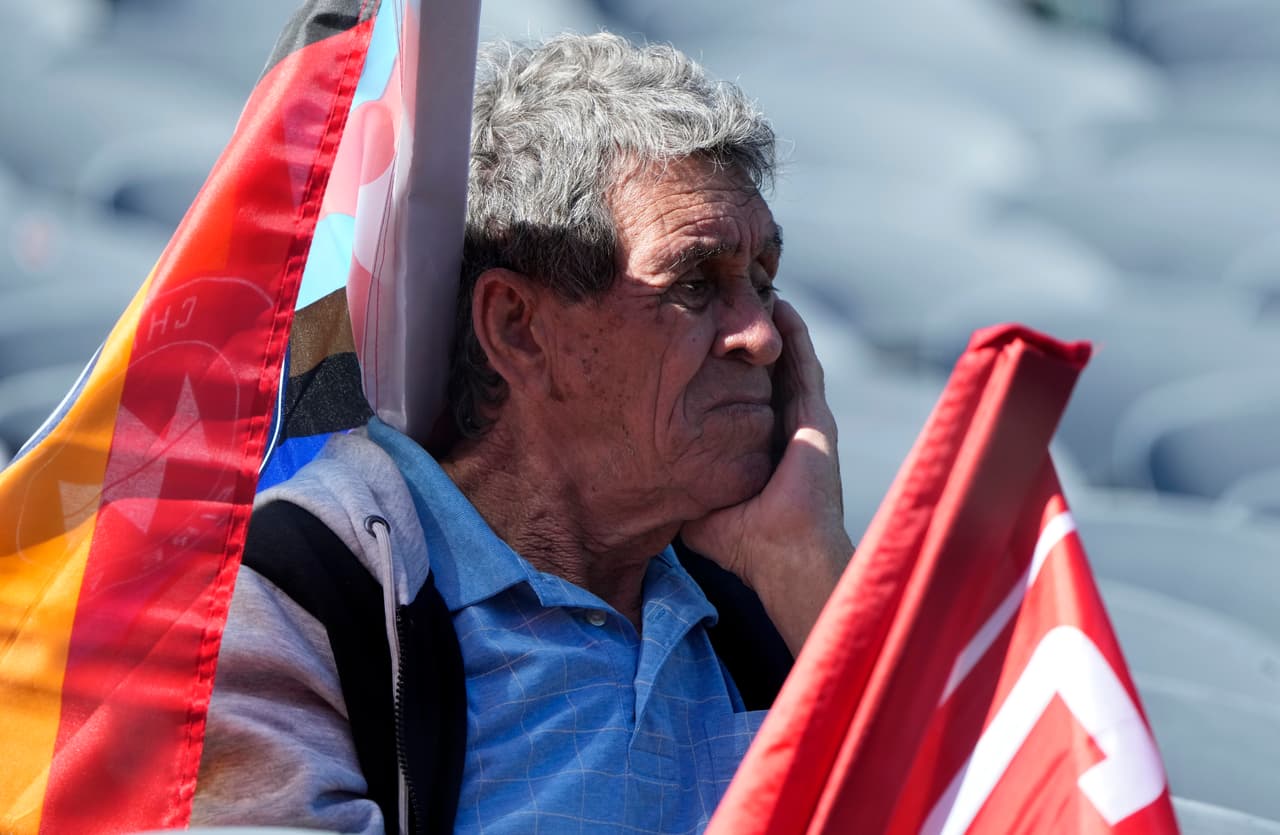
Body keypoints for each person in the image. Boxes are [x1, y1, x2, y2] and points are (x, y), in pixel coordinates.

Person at [191, 32, 853, 834]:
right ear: (518, 328)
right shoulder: (314, 595)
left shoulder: (769, 601)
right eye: (693, 284)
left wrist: (813, 581)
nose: (763, 337)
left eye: (762, 281)